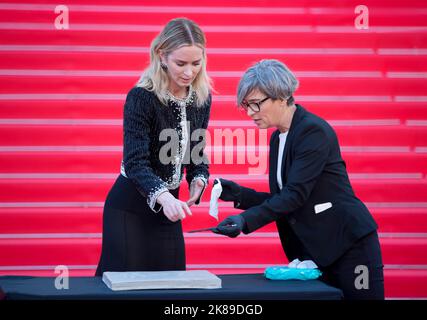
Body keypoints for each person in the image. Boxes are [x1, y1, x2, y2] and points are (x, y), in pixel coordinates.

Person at [213, 59, 384, 300]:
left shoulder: (313, 131)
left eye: (255, 104)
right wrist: (239, 195)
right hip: (316, 252)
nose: (250, 112)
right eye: (246, 105)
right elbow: (285, 198)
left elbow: (294, 195)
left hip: (350, 247)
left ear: (282, 97)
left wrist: (244, 221)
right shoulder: (278, 137)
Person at [96, 18, 212, 275]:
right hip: (129, 209)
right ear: (162, 56)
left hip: (169, 211)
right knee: (126, 289)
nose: (189, 72)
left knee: (173, 287)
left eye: (196, 63)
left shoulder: (202, 98)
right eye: (180, 63)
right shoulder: (141, 97)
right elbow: (135, 162)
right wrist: (164, 196)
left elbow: (196, 151)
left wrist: (199, 178)